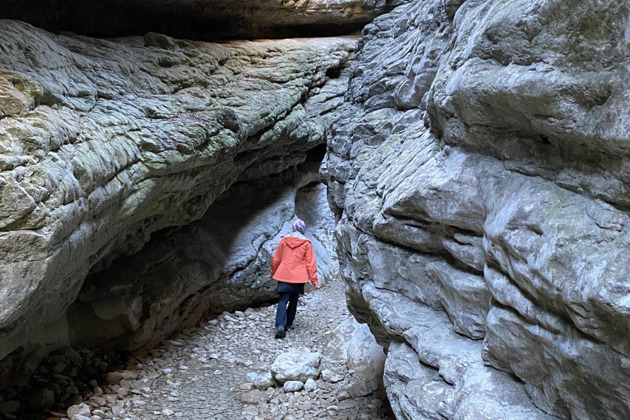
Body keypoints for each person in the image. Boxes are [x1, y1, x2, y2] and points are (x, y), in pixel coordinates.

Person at [270, 218, 319, 339]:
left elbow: (276, 259)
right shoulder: (306, 243)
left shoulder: (284, 241)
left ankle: (280, 325)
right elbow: (310, 263)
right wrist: (314, 281)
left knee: (282, 300)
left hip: (283, 274)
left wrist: (273, 272)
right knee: (294, 299)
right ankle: (289, 323)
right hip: (298, 276)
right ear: (303, 230)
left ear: (293, 228)